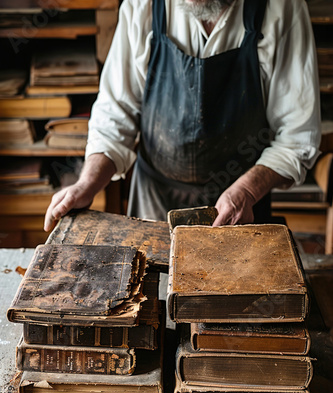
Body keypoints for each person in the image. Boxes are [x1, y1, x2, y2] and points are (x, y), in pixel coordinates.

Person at [44, 0, 321, 232]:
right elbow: (115, 115)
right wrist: (87, 183)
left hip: (243, 208)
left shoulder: (282, 8)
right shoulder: (143, 6)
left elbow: (298, 137)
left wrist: (247, 191)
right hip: (154, 202)